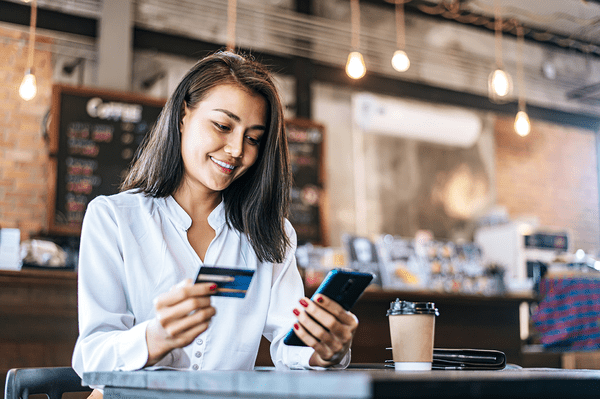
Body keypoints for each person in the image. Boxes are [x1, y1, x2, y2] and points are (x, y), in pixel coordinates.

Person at [72, 51, 356, 397]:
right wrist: (154, 337)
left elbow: (288, 340)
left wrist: (324, 350)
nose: (236, 150)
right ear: (182, 115)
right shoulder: (114, 219)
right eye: (223, 126)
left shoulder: (270, 233)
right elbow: (91, 356)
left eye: (253, 138)